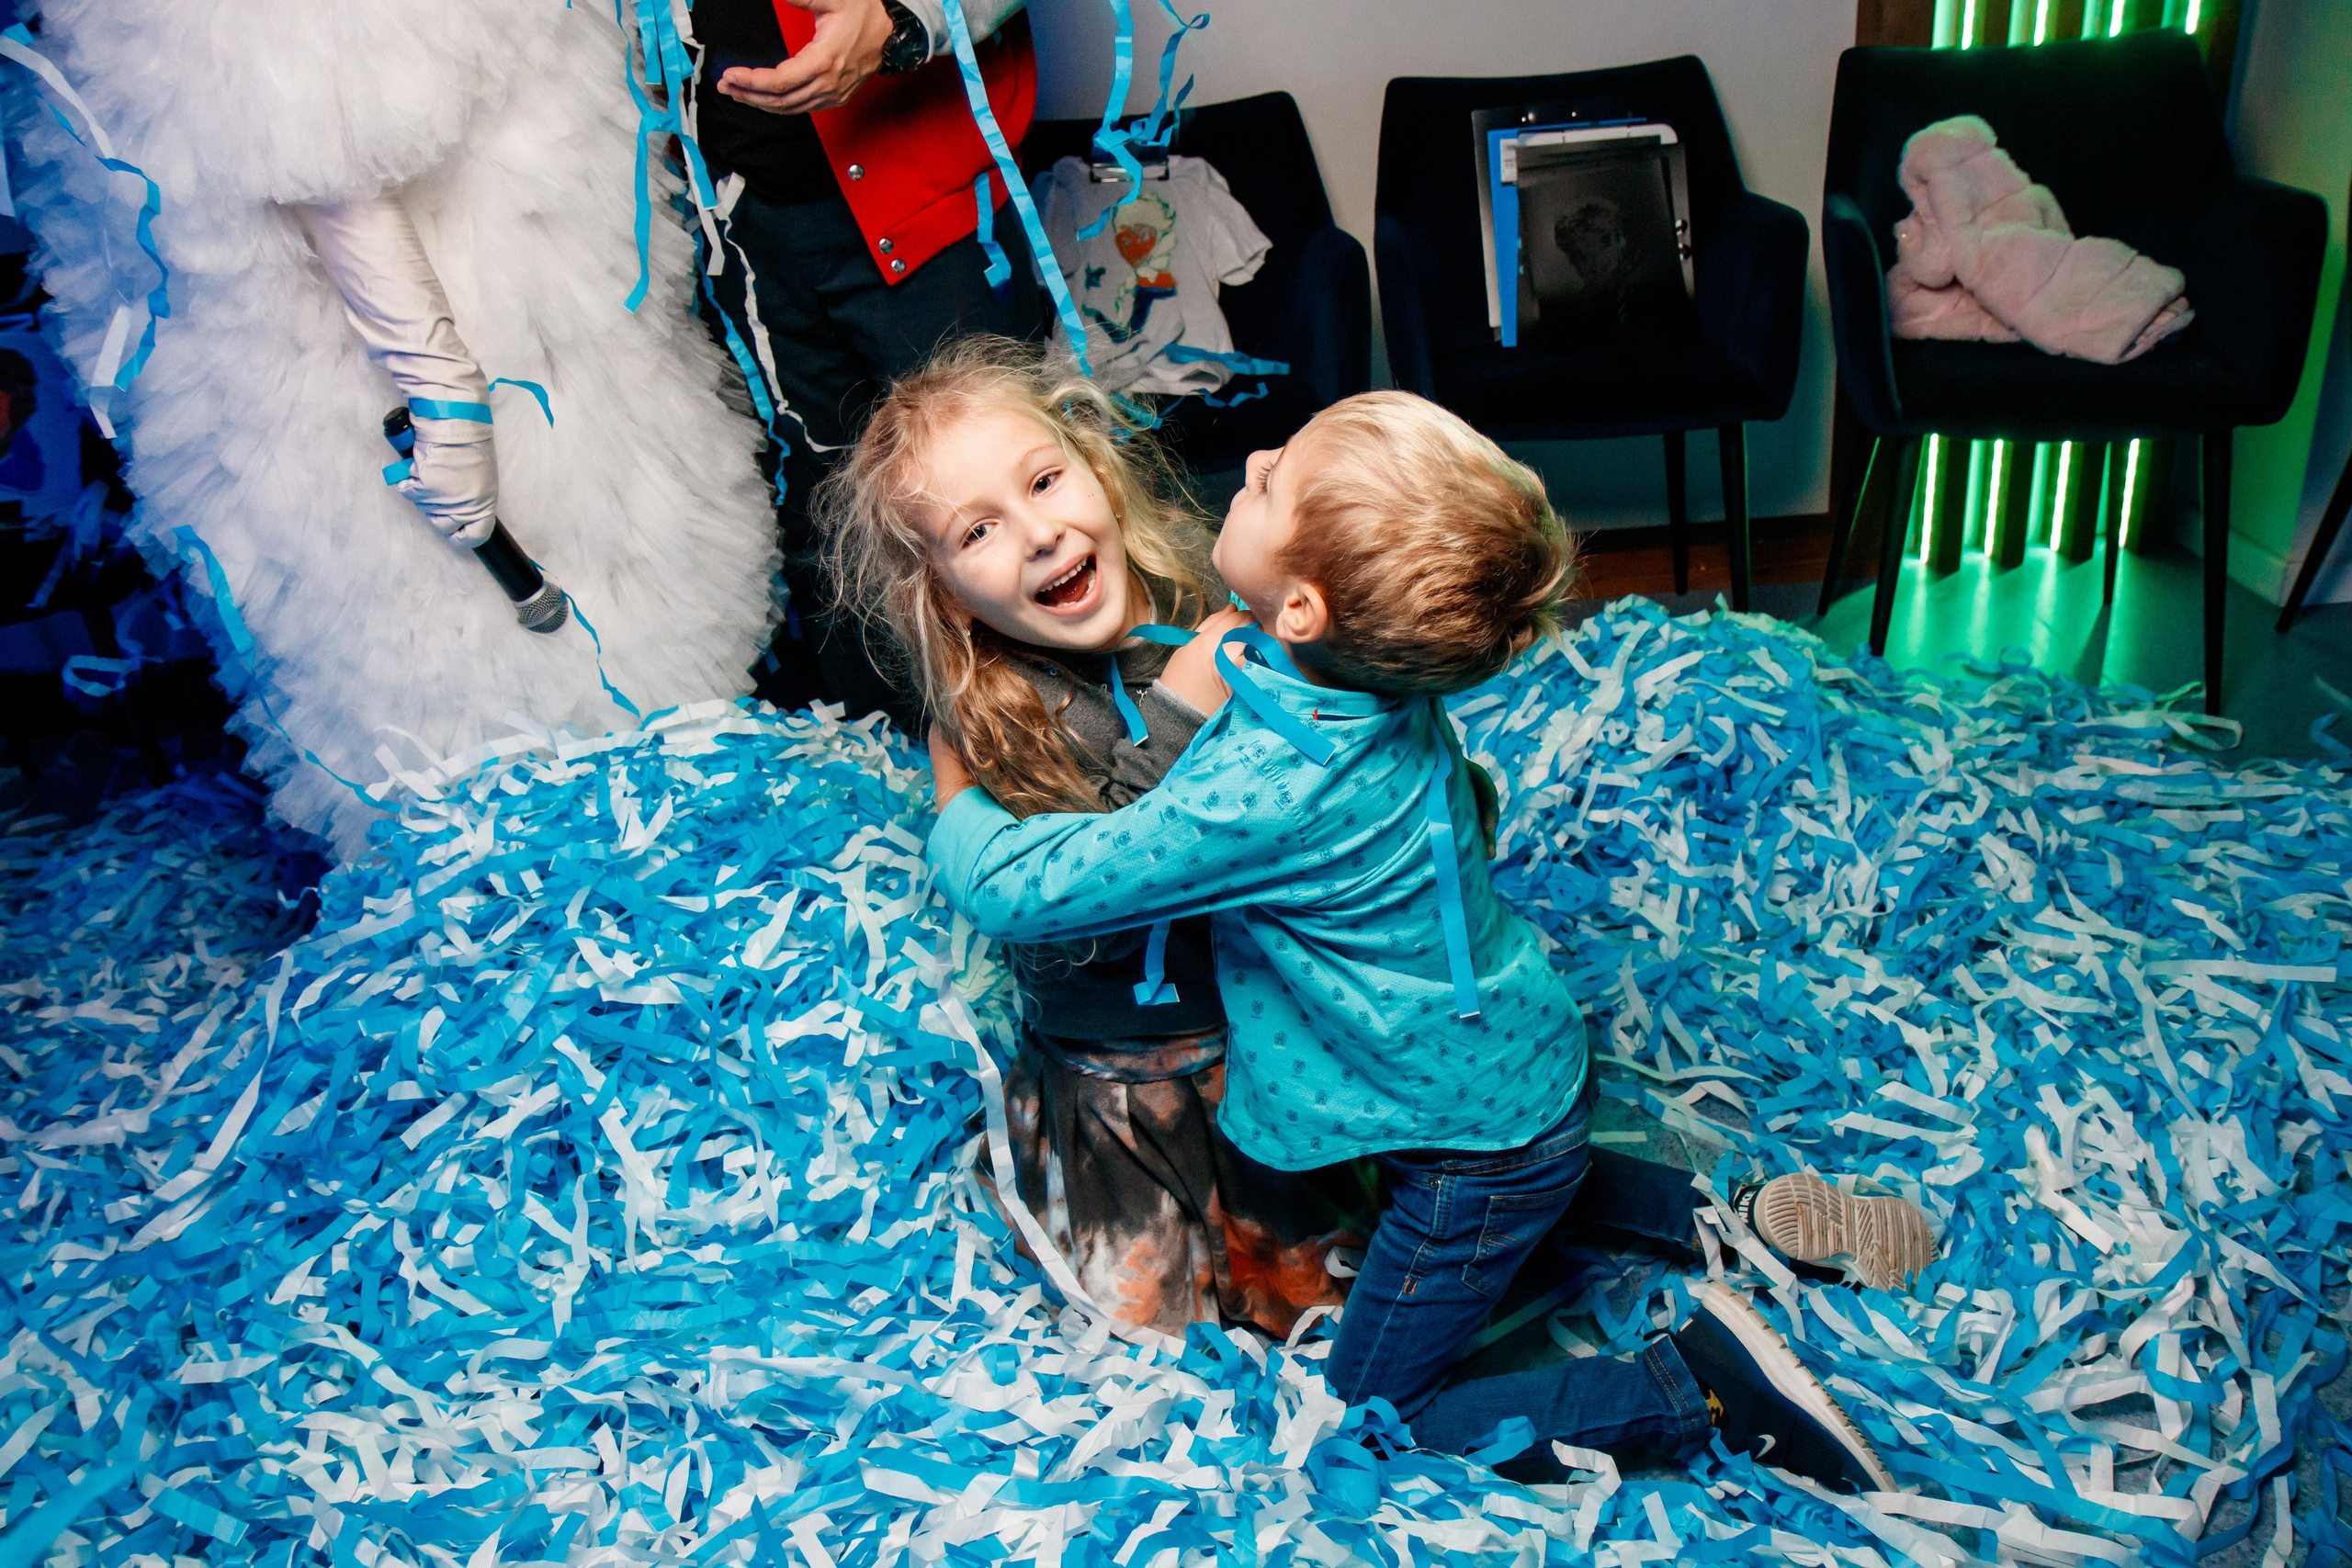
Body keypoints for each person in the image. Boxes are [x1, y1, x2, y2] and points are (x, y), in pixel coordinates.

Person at [925, 390, 1933, 1487]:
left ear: (1306, 607)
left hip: (1465, 1143)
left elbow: (1030, 891)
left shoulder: (1266, 782)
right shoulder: (1375, 666)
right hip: (1520, 1074)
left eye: (1269, 482)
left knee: (1368, 1417)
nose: (1252, 456)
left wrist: (953, 784)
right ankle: (1726, 1220)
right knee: (1520, 1189)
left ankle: (1698, 1395)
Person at [7, 0, 781, 858]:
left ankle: (633, 855)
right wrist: (445, 394)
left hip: (525, 272)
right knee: (500, 645)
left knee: (592, 593)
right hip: (449, 326)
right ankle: (565, 883)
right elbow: (313, 129)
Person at [818, 335, 1374, 1337]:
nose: (1037, 533)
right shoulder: (992, 717)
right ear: (942, 592)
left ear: (1097, 472)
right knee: (1152, 1351)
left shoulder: (1185, 619)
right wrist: (1178, 717)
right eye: (978, 530)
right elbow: (1091, 907)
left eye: (1043, 481)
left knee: (1344, 1299)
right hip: (1126, 1102)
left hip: (1261, 1058)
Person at [695, 0, 1049, 731]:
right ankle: (887, 781)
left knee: (1002, 492)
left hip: (926, 201)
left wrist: (900, 21)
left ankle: (1070, 764)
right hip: (744, 232)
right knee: (827, 529)